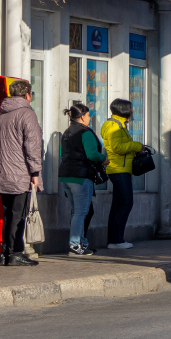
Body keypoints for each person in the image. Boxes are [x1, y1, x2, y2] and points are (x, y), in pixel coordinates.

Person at [0, 80, 42, 266]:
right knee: (19, 214)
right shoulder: (27, 114)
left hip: (3, 171)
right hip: (21, 172)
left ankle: (5, 253)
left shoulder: (0, 116)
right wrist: (35, 172)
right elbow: (33, 145)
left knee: (8, 213)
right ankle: (15, 253)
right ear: (27, 95)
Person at [59, 101, 106, 256]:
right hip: (80, 176)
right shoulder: (85, 133)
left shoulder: (67, 132)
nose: (89, 118)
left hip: (66, 175)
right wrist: (104, 159)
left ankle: (82, 242)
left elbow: (62, 153)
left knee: (76, 211)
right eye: (88, 115)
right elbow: (92, 154)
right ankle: (74, 244)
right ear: (82, 116)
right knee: (81, 212)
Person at [102, 98, 144, 250]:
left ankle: (114, 239)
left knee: (118, 205)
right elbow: (117, 147)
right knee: (126, 203)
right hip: (118, 170)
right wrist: (137, 146)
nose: (132, 112)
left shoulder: (118, 124)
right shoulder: (114, 126)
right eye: (130, 109)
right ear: (125, 110)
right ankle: (116, 240)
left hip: (121, 169)